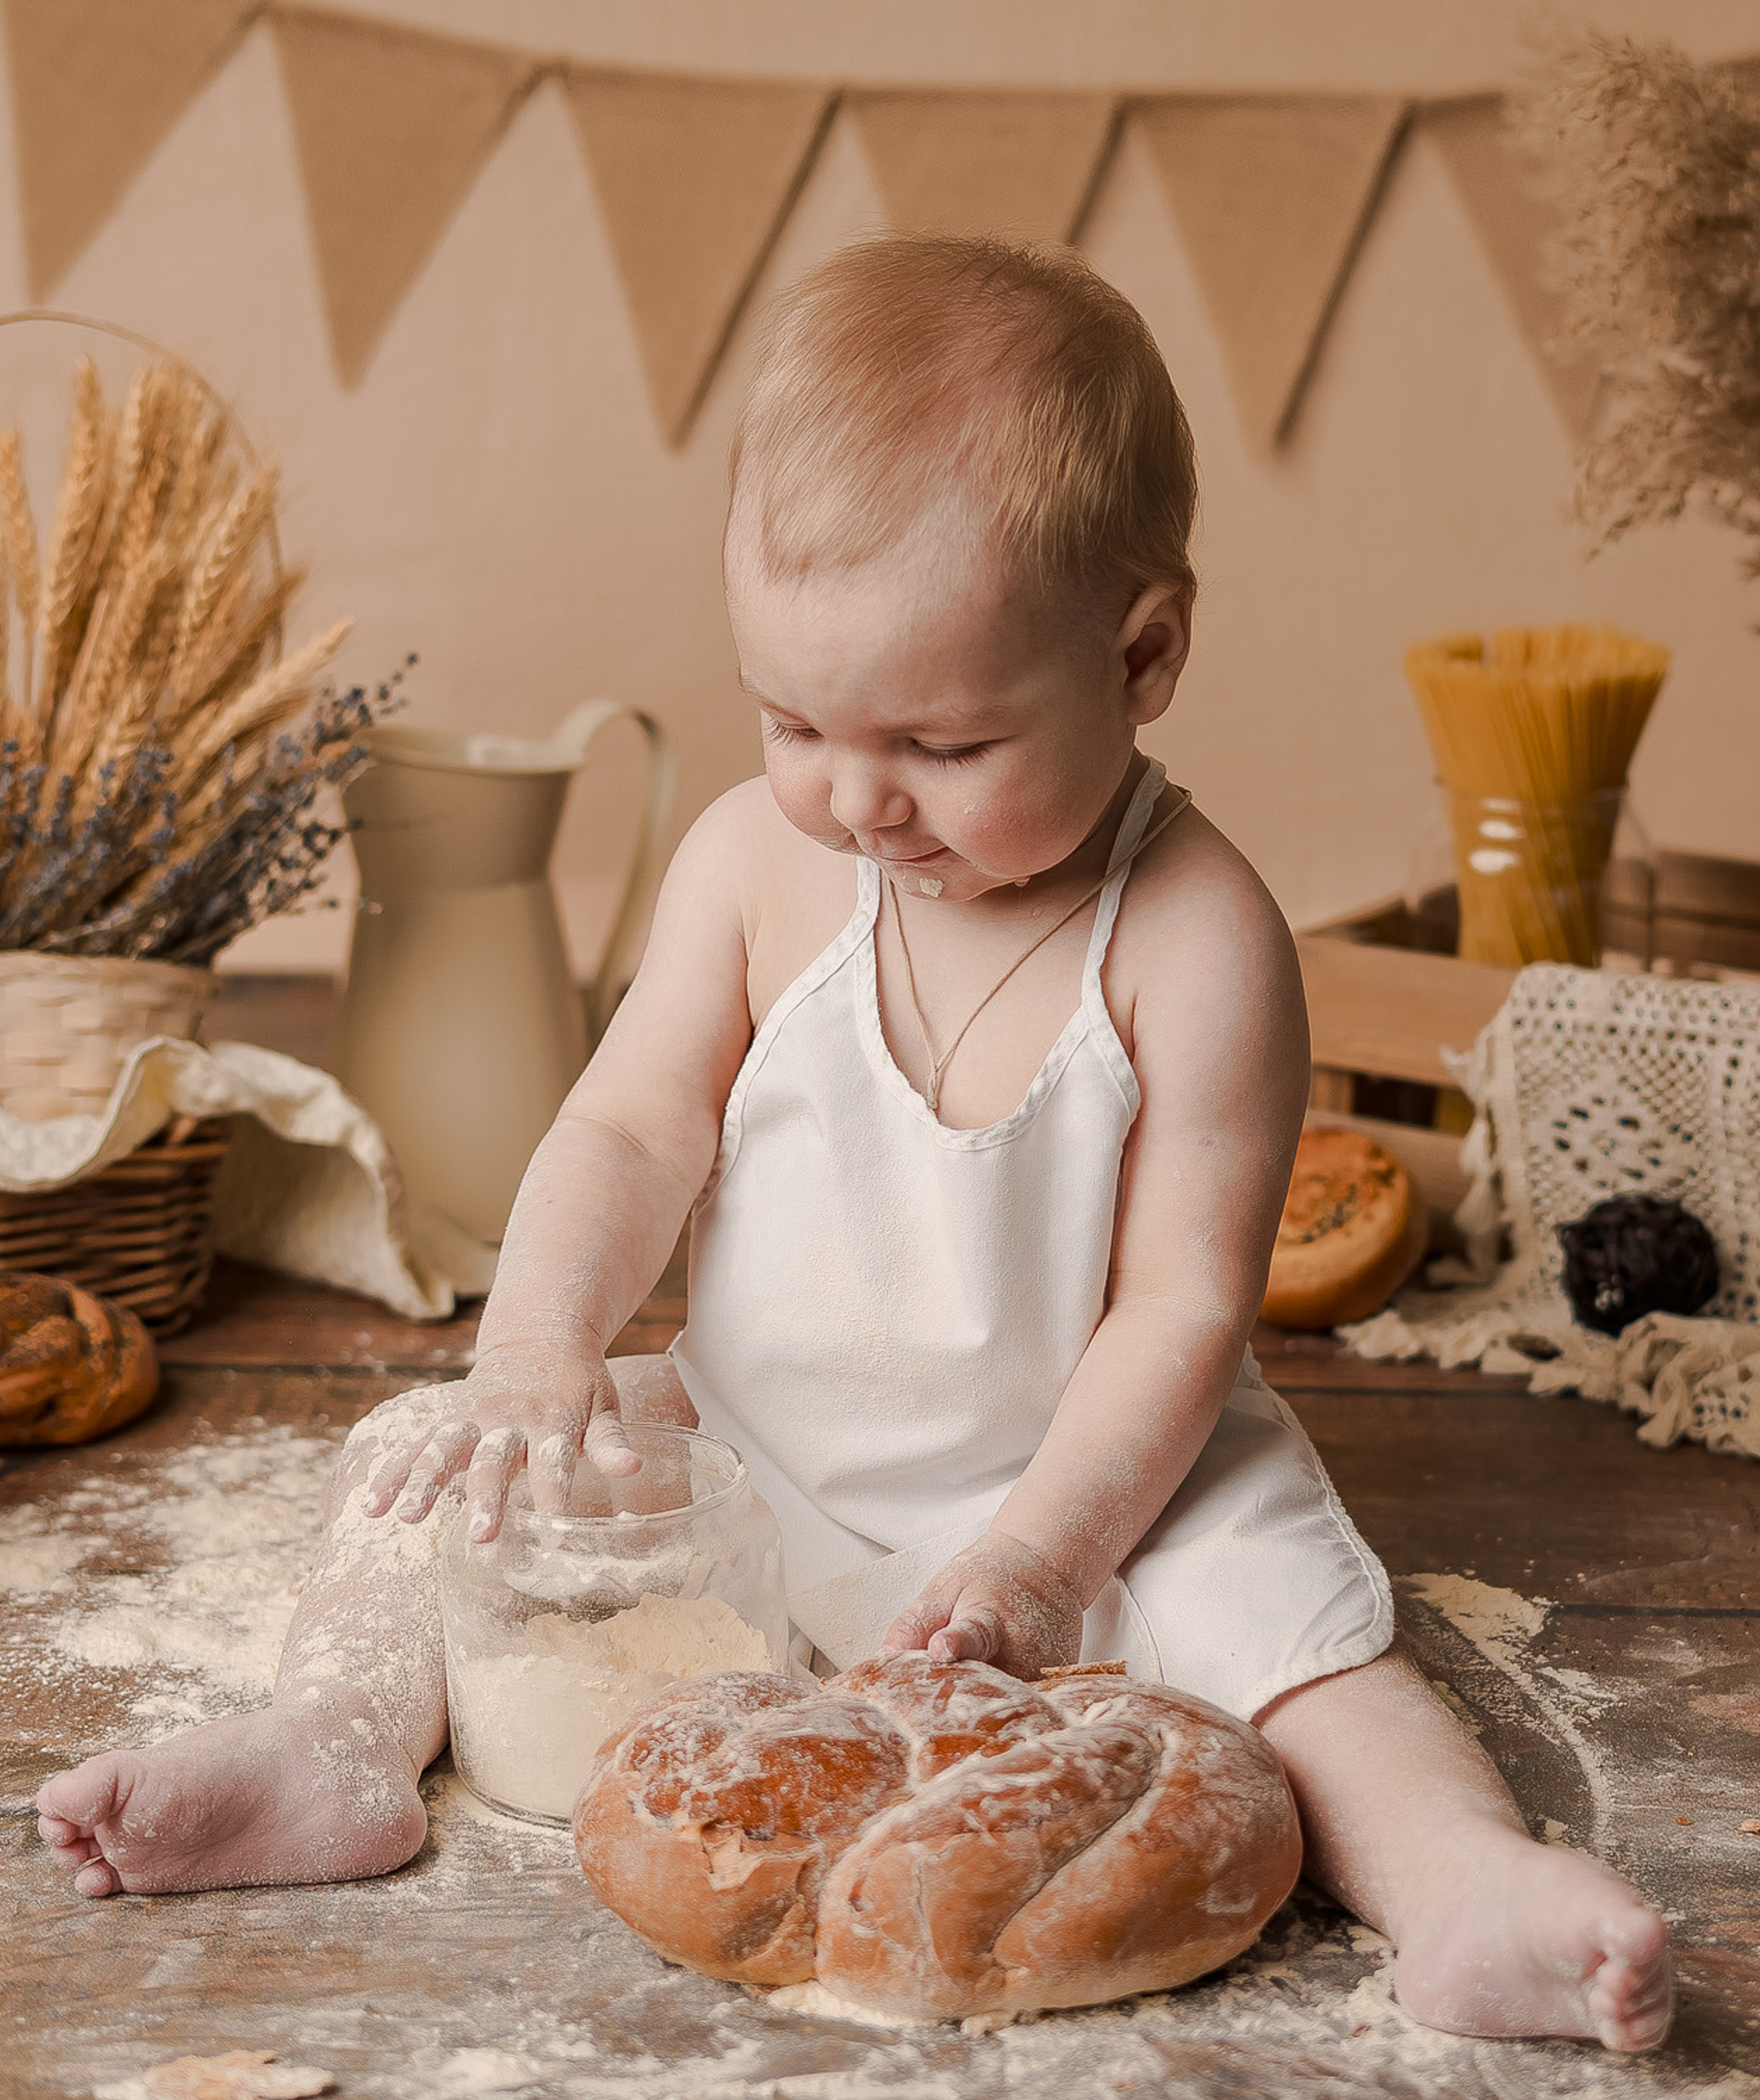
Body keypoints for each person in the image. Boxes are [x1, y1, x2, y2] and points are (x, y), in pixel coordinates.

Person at [36, 235, 1671, 2052]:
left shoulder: (1197, 936)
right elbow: (630, 1123)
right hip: (755, 1443)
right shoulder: (755, 860)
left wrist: (1045, 1558)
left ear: (1142, 653)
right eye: (794, 716)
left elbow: (1181, 1310)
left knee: (1311, 1646)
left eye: (943, 738)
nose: (857, 792)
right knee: (427, 1458)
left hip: (1105, 1482)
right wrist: (535, 1351)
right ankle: (330, 1746)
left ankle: (1461, 1889)